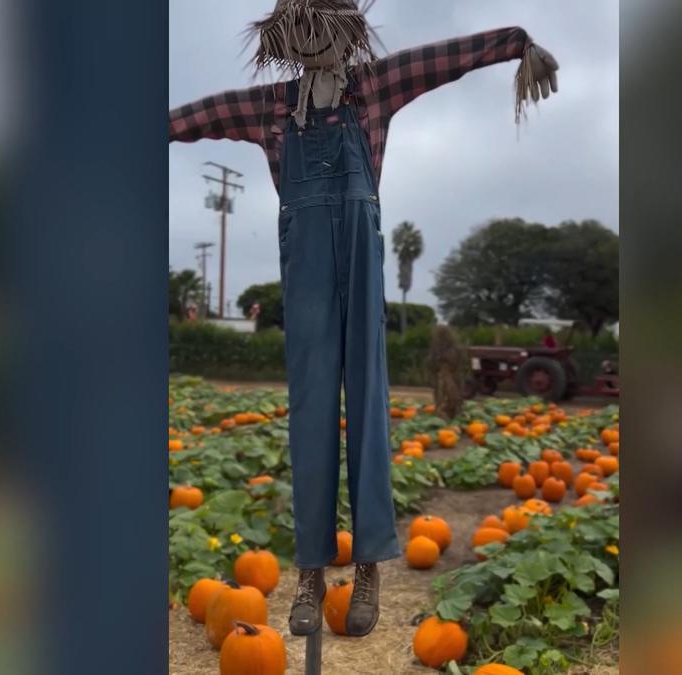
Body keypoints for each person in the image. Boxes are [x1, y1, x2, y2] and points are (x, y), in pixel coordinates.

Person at [169, 0, 560, 638]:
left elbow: (446, 60)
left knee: (370, 405)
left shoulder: (374, 88)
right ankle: (311, 574)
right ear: (289, 39)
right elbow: (198, 118)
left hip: (360, 248)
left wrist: (517, 43)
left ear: (344, 33)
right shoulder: (270, 108)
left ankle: (371, 566)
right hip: (307, 266)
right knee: (311, 409)